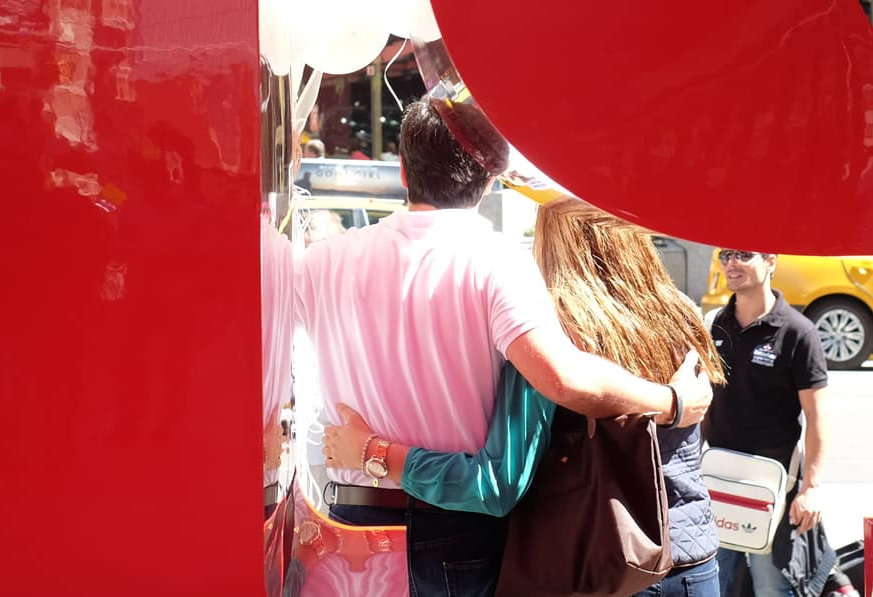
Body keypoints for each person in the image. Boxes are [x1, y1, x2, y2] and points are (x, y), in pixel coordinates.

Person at [297, 94, 712, 597]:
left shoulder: (325, 261)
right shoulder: (499, 264)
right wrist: (671, 402)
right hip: (458, 527)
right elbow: (561, 379)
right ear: (489, 178)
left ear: (404, 172)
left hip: (354, 516)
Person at [705, 251, 833, 597]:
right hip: (718, 481)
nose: (732, 263)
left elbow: (817, 415)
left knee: (772, 589)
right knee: (711, 586)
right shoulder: (713, 324)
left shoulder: (797, 332)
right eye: (726, 255)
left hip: (775, 486)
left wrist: (812, 487)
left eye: (743, 254)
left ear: (771, 261)